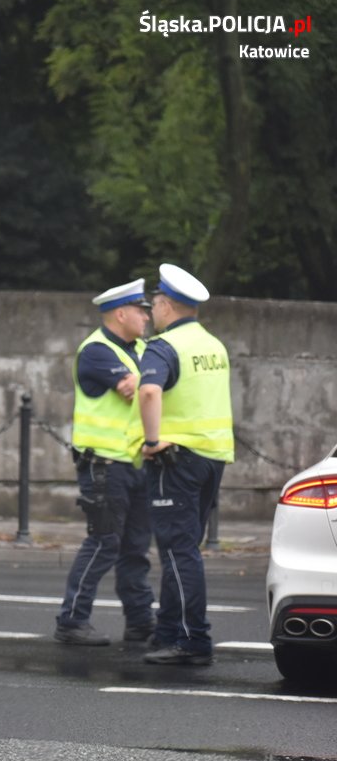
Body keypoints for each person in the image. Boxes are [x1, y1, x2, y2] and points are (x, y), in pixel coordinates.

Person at [138, 263, 233, 666]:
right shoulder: (214, 345)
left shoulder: (163, 347)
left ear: (167, 305)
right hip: (212, 457)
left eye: (155, 303)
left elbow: (148, 392)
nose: (152, 310)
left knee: (179, 552)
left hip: (175, 461)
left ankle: (194, 639)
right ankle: (168, 630)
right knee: (185, 548)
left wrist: (152, 441)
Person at [54, 279, 155, 646]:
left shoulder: (142, 348)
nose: (147, 317)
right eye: (141, 311)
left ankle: (140, 622)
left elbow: (142, 387)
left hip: (136, 464)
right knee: (104, 542)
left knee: (136, 548)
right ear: (121, 313)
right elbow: (143, 388)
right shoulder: (96, 351)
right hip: (104, 466)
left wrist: (140, 382)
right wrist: (148, 382)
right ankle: (72, 621)